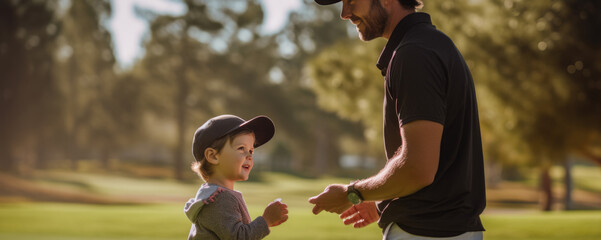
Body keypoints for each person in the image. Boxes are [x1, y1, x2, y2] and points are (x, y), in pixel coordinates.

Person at [309, 0, 486, 239]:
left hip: (425, 233)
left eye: (351, 0)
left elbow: (417, 169)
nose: (345, 13)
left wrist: (352, 194)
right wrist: (381, 198)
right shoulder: (430, 45)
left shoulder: (414, 54)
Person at [185, 114, 288, 240]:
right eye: (241, 148)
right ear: (213, 156)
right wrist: (265, 221)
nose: (249, 156)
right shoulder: (220, 198)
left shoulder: (213, 194)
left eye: (251, 150)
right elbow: (238, 237)